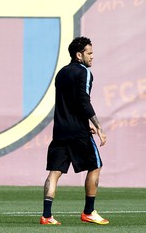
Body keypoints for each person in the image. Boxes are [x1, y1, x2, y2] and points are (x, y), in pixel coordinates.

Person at [40, 36, 108, 225]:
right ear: (79, 55)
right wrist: (98, 126)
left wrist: (85, 123)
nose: (92, 57)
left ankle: (46, 216)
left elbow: (69, 104)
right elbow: (83, 101)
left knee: (54, 173)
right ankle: (89, 211)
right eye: (89, 53)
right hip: (78, 133)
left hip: (60, 131)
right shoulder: (84, 72)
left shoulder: (61, 73)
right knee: (95, 166)